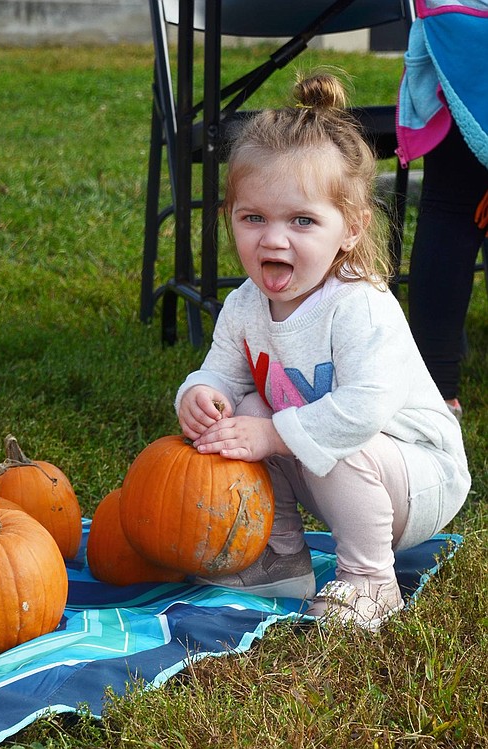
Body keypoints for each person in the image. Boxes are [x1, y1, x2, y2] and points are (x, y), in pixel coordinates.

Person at [174, 72, 471, 631]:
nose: (274, 239)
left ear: (352, 229)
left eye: (303, 221)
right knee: (244, 412)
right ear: (228, 219)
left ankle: (371, 581)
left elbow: (362, 412)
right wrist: (202, 393)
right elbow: (221, 371)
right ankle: (280, 557)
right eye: (253, 218)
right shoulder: (244, 305)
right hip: (335, 469)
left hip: (415, 477)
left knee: (320, 436)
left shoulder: (357, 305)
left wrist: (272, 435)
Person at [396, 0, 488, 421]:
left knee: (451, 208)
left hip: (460, 27)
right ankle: (434, 381)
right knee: (453, 205)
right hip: (467, 31)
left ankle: (435, 387)